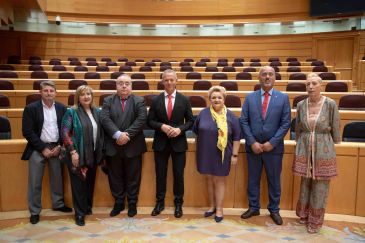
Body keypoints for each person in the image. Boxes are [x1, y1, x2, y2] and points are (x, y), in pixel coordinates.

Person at [239, 66, 291, 225]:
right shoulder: (249, 98)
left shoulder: (283, 98)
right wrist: (252, 142)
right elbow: (244, 121)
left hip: (274, 149)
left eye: (270, 74)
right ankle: (253, 207)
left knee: (274, 180)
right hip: (253, 147)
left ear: (275, 78)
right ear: (259, 78)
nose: (267, 77)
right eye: (264, 74)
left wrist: (272, 143)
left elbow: (285, 123)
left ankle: (274, 209)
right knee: (253, 179)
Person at [292, 73, 340, 233]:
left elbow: (335, 126)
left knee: (320, 186)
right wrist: (299, 144)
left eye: (314, 83)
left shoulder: (330, 104)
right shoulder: (300, 105)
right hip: (305, 146)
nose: (310, 87)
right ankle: (304, 215)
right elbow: (298, 127)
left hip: (323, 148)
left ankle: (316, 221)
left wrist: (334, 142)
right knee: (305, 183)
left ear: (321, 86)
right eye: (308, 84)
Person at [21, 80, 72, 225]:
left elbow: (66, 130)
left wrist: (60, 146)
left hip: (56, 148)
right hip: (38, 148)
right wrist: (42, 148)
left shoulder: (62, 108)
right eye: (46, 91)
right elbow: (27, 132)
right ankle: (35, 211)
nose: (49, 93)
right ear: (40, 92)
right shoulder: (31, 108)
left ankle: (58, 204)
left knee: (57, 178)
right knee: (35, 181)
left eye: (51, 91)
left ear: (56, 93)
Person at [148, 69, 193, 218]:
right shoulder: (155, 100)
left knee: (178, 175)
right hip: (160, 143)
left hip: (179, 143)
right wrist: (162, 126)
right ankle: (159, 203)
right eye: (166, 80)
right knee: (160, 175)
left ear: (176, 81)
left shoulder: (184, 99)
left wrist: (180, 129)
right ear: (162, 82)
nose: (169, 82)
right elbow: (150, 121)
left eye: (171, 79)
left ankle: (178, 204)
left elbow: (191, 121)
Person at [100, 74, 147, 218]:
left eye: (127, 83)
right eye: (121, 83)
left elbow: (141, 119)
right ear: (116, 86)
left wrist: (125, 135)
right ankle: (119, 202)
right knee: (115, 177)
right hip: (113, 146)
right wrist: (117, 134)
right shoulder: (108, 100)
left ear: (131, 86)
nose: (124, 86)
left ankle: (132, 203)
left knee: (134, 177)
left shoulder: (139, 100)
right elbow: (105, 119)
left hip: (133, 145)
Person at [192, 86, 241, 223]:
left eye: (219, 97)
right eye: (213, 97)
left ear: (224, 99)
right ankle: (212, 206)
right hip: (205, 152)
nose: (216, 99)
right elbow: (197, 132)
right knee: (208, 178)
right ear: (210, 99)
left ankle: (219, 209)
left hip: (223, 154)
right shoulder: (203, 113)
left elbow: (237, 137)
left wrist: (235, 155)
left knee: (219, 180)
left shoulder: (231, 116)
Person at [61, 85, 104, 226]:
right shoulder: (71, 112)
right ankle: (79, 214)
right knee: (78, 186)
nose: (86, 97)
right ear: (78, 97)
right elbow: (65, 133)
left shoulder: (97, 112)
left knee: (89, 183)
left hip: (93, 154)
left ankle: (86, 208)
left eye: (88, 94)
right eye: (83, 94)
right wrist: (73, 152)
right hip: (77, 155)